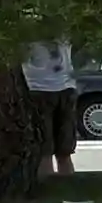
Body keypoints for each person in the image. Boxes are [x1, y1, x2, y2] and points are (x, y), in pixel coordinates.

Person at [23, 39, 78, 181]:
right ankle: (63, 187)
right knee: (59, 152)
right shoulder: (65, 28)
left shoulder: (26, 30)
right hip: (60, 86)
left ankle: (53, 187)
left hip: (40, 87)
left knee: (47, 151)